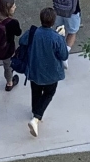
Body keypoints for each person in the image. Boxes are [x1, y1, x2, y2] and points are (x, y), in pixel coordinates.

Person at [21, 8, 70, 137]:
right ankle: (37, 117)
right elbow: (64, 55)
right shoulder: (56, 38)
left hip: (35, 69)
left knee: (35, 91)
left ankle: (34, 112)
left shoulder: (33, 32)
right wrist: (62, 38)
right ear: (53, 21)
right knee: (49, 93)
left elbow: (22, 41)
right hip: (51, 73)